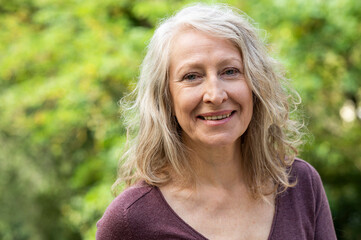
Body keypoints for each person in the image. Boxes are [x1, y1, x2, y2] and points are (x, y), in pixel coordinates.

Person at [96, 3, 337, 240]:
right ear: (165, 98)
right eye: (192, 76)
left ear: (256, 84)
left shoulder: (300, 184)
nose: (215, 94)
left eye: (230, 71)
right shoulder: (130, 222)